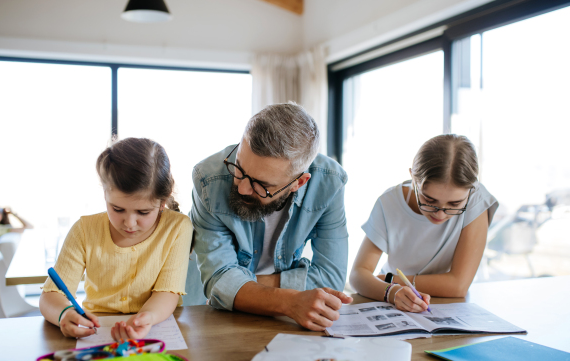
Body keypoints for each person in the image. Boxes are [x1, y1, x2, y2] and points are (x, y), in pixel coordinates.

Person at [188, 102, 352, 331]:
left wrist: (240, 285)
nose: (243, 188)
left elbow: (330, 281)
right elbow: (218, 282)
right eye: (238, 168)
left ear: (298, 182)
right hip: (218, 318)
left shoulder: (330, 182)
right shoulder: (207, 178)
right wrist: (291, 300)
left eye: (261, 185)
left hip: (286, 322)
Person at [39, 138, 192, 340]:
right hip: (95, 332)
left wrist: (146, 318)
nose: (129, 223)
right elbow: (51, 295)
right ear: (104, 194)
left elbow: (168, 292)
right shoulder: (85, 230)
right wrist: (64, 314)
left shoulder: (178, 227)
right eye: (117, 209)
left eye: (143, 212)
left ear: (163, 202)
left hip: (155, 329)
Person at [349, 134, 498, 312]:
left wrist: (391, 280)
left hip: (439, 304)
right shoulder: (389, 202)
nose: (441, 214)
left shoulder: (477, 200)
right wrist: (392, 292)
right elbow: (358, 275)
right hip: (393, 300)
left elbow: (458, 286)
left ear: (471, 189)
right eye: (429, 200)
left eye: (455, 204)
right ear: (413, 177)